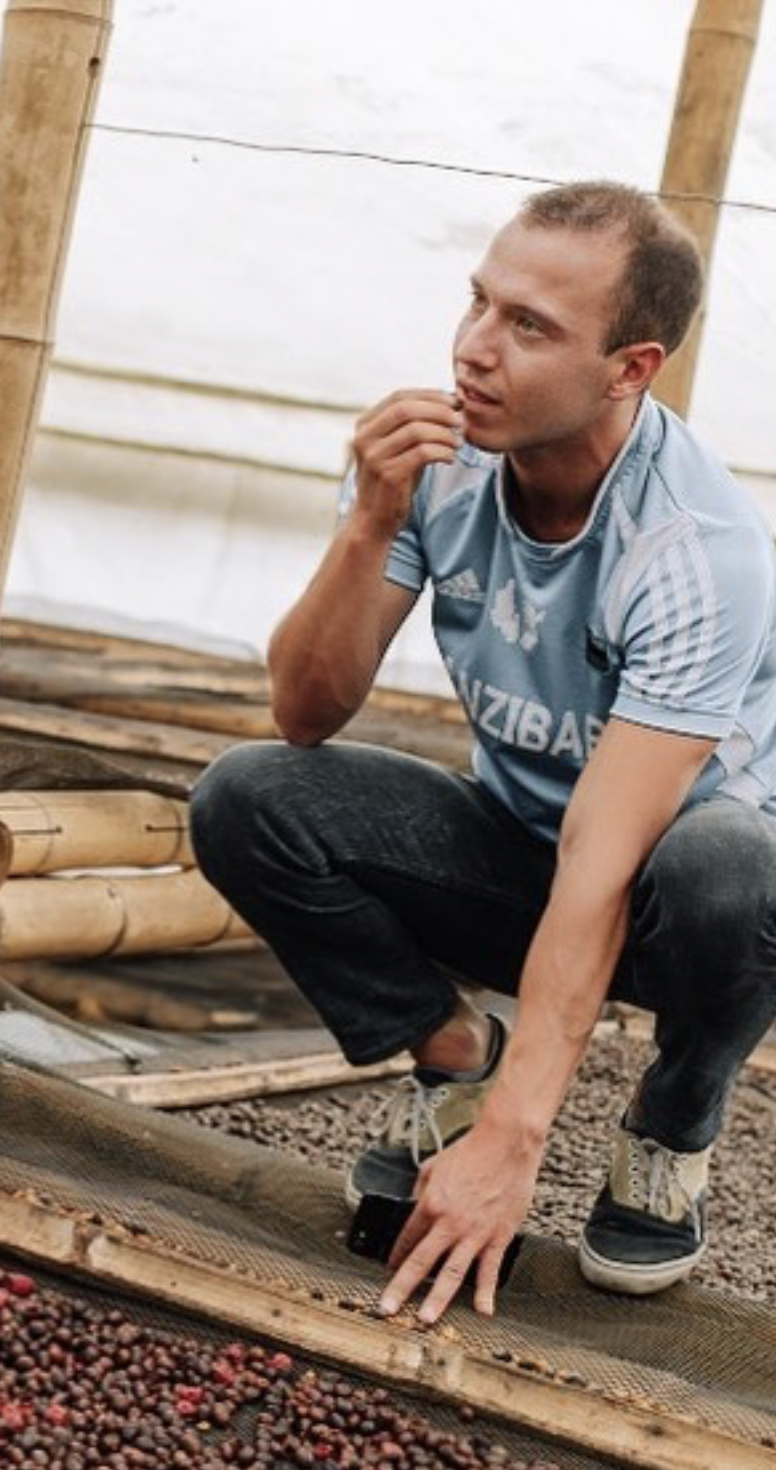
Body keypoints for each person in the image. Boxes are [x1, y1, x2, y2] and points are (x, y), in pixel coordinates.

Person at [191, 181, 776, 1323]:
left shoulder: (694, 549)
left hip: (670, 904)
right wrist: (369, 519)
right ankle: (453, 1052)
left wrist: (518, 1145)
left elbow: (607, 867)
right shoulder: (440, 465)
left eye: (530, 327)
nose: (473, 350)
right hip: (517, 848)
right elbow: (305, 712)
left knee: (732, 867)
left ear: (629, 369)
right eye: (478, 302)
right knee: (247, 798)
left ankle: (676, 1112)